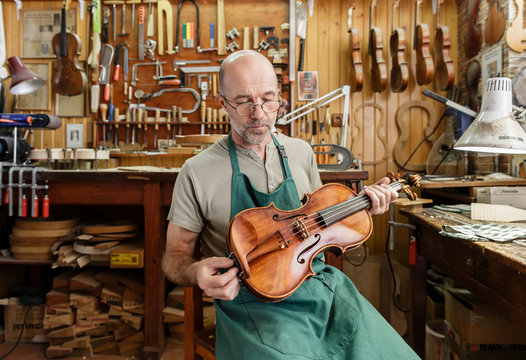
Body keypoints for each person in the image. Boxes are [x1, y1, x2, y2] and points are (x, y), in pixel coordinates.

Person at [162, 50, 420, 359]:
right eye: (244, 101)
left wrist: (365, 205)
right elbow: (173, 257)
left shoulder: (301, 152)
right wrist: (195, 273)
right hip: (251, 307)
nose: (259, 113)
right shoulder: (197, 171)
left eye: (269, 99)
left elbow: (320, 229)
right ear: (222, 103)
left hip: (318, 290)